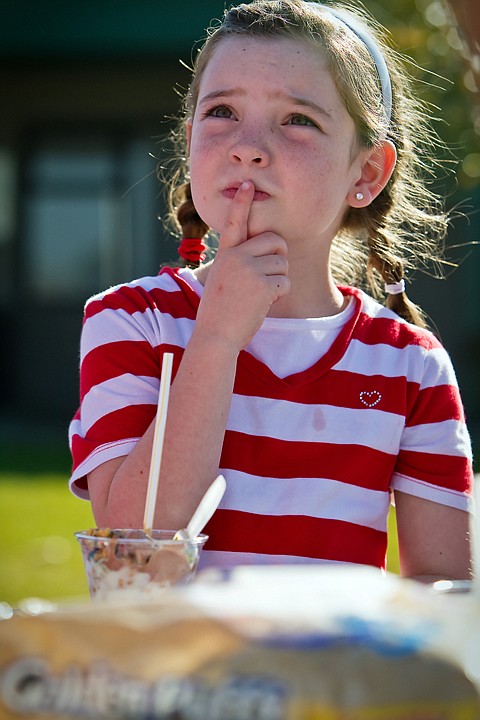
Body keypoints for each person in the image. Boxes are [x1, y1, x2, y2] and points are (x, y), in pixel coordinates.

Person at [69, 0, 474, 581]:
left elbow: (444, 598)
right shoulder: (132, 322)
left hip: (335, 673)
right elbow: (133, 551)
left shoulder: (411, 367)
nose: (248, 145)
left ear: (366, 174)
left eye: (298, 119)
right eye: (223, 112)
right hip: (170, 674)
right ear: (189, 145)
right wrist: (215, 339)